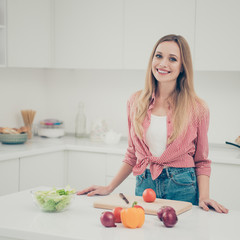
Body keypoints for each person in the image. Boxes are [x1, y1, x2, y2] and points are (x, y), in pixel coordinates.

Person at [77, 34, 228, 213]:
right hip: (144, 184)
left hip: (182, 187)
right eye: (158, 56)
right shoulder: (135, 102)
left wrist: (204, 197)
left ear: (182, 67)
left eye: (172, 59)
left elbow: (202, 161)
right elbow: (133, 154)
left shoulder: (197, 108)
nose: (163, 64)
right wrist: (109, 187)